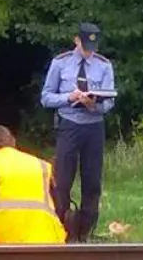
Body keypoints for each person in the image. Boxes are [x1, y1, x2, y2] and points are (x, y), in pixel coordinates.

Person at [40, 22, 115, 242]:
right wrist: (68, 98)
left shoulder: (104, 65)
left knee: (92, 180)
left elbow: (110, 100)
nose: (89, 51)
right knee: (63, 179)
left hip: (93, 125)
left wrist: (95, 105)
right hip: (69, 124)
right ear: (76, 40)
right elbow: (46, 97)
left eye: (93, 46)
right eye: (85, 45)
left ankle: (86, 231)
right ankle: (60, 227)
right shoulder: (61, 63)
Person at [0, 125, 68, 245]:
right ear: (13, 142)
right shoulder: (42, 166)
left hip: (0, 239)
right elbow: (59, 207)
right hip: (45, 238)